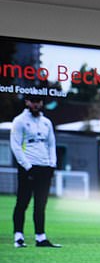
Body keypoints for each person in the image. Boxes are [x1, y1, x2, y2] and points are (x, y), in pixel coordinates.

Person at [10, 95, 61, 249]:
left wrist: (52, 164)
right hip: (28, 167)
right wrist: (27, 166)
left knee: (41, 204)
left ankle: (41, 238)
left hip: (44, 167)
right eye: (33, 102)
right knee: (23, 202)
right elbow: (16, 146)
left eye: (38, 102)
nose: (36, 105)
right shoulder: (19, 121)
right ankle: (18, 237)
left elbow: (52, 144)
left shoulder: (46, 122)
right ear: (27, 103)